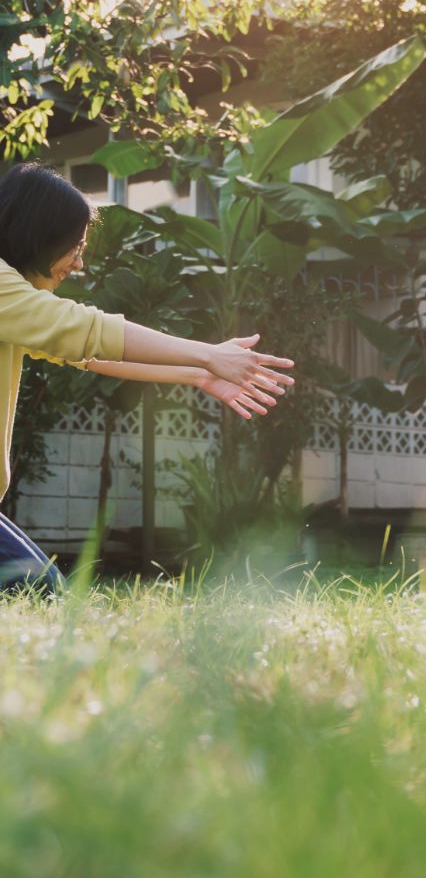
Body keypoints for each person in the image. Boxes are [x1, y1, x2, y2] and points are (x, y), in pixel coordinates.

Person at [0, 163, 295, 592]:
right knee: (40, 592)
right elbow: (88, 332)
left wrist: (196, 373)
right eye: (75, 247)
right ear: (39, 233)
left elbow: (91, 355)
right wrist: (208, 354)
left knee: (40, 592)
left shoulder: (14, 309)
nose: (79, 263)